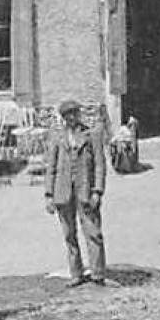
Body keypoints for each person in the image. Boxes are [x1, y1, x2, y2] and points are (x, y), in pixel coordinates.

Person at [45, 99, 107, 287]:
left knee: (93, 232)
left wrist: (97, 191)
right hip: (63, 193)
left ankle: (97, 273)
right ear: (63, 118)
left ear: (79, 115)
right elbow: (51, 167)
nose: (71, 118)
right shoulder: (57, 137)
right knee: (69, 234)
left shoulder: (91, 134)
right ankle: (76, 273)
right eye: (67, 115)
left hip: (86, 191)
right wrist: (49, 195)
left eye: (74, 113)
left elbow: (99, 165)